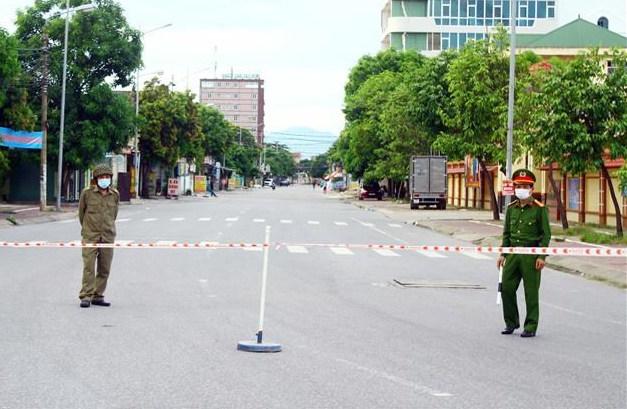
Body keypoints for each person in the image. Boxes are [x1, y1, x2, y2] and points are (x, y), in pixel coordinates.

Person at [497, 169, 551, 337]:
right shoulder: (511, 208)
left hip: (531, 256)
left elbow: (546, 235)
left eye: (525, 186)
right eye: (518, 186)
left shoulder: (539, 209)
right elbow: (506, 234)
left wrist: (541, 256)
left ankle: (530, 326)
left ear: (531, 189)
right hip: (513, 254)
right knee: (506, 288)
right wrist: (503, 254)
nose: (521, 189)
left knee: (531, 292)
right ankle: (511, 322)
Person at [78, 164, 120, 308]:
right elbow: (81, 214)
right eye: (102, 177)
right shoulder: (87, 193)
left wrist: (107, 227)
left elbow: (114, 215)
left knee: (104, 268)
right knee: (89, 267)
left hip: (108, 236)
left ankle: (98, 295)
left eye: (107, 177)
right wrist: (88, 229)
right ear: (96, 179)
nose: (104, 179)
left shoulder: (114, 194)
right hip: (90, 236)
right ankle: (86, 295)